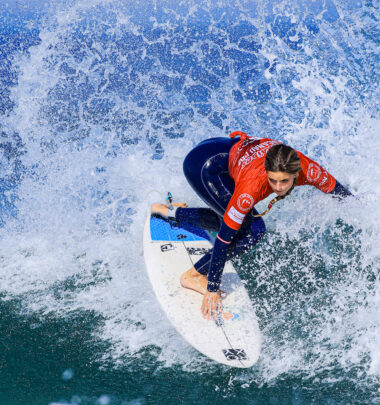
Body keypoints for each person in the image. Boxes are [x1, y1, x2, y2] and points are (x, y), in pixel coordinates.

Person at [151, 131, 352, 319]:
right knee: (252, 231)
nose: (279, 188)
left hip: (223, 149)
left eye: (285, 181)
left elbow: (344, 197)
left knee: (231, 216)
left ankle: (167, 211)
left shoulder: (310, 170)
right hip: (204, 165)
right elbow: (222, 240)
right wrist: (212, 288)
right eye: (273, 181)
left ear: (297, 174)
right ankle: (192, 275)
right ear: (266, 172)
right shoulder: (251, 188)